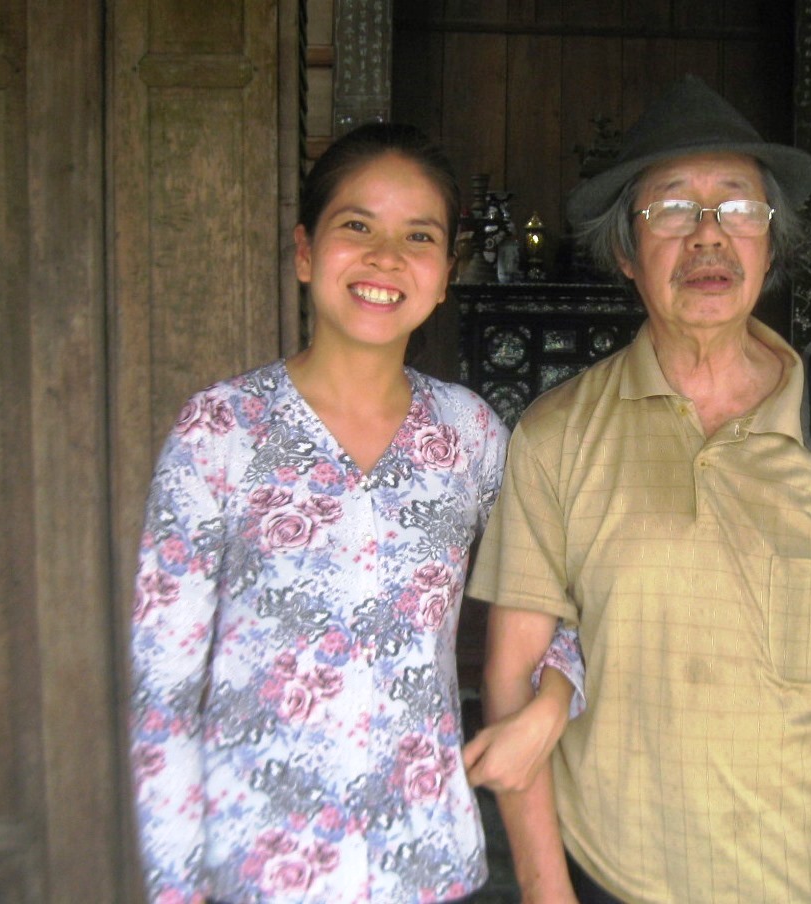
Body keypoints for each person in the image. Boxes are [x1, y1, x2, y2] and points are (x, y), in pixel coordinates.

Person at [468, 75, 811, 904]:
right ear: (626, 251)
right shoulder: (556, 435)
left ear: (770, 246)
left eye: (738, 208)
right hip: (614, 874)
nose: (708, 235)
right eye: (672, 209)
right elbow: (512, 677)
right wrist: (548, 892)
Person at [128, 122, 584, 904]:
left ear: (444, 277)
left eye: (419, 236)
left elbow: (569, 584)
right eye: (357, 226)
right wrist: (177, 889)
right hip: (260, 870)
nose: (386, 257)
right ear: (306, 252)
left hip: (425, 860)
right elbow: (162, 695)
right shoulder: (222, 430)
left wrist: (550, 704)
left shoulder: (470, 435)